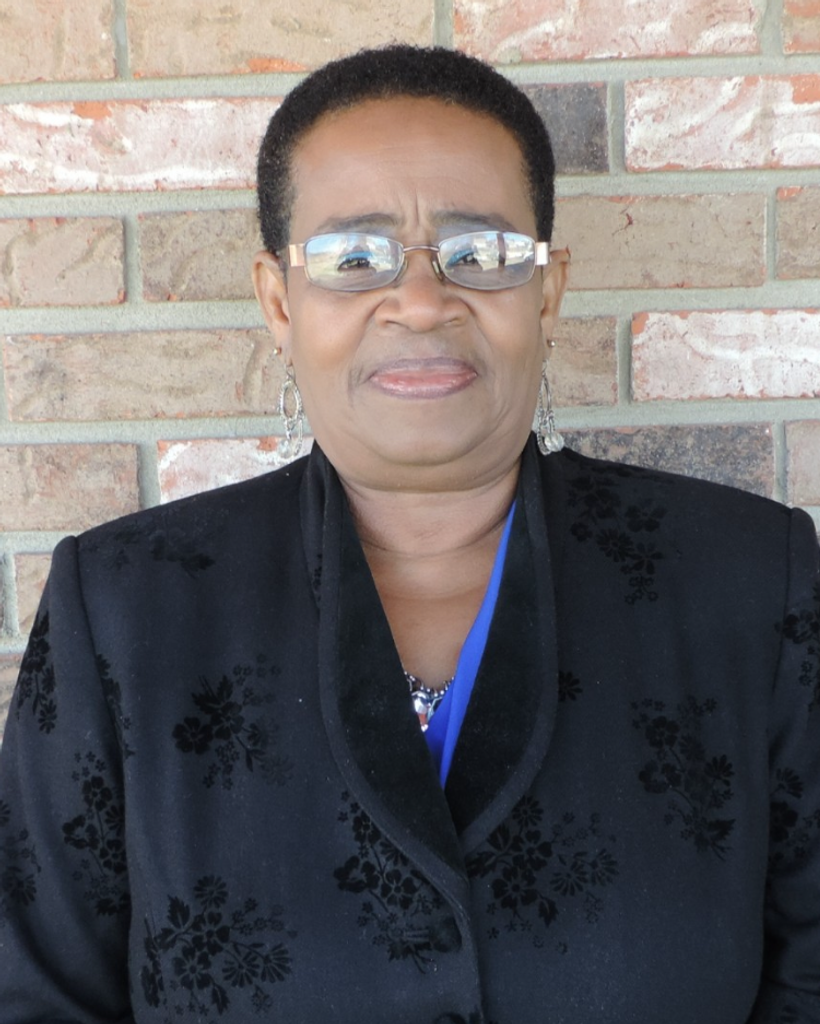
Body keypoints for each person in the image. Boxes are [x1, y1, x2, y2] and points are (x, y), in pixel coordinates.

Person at [0, 44, 818, 1024]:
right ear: (279, 301)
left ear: (547, 290)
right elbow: (35, 994)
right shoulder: (125, 609)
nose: (423, 303)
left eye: (482, 255)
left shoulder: (748, 582)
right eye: (355, 260)